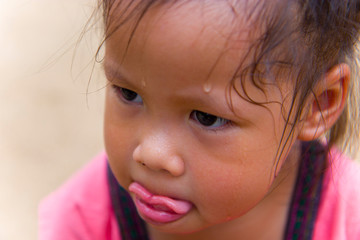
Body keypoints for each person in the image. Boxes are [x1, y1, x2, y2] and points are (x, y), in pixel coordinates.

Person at [39, 0, 360, 239]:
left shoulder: (349, 217)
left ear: (317, 104)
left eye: (206, 118)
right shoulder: (85, 218)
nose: (151, 154)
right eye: (128, 93)